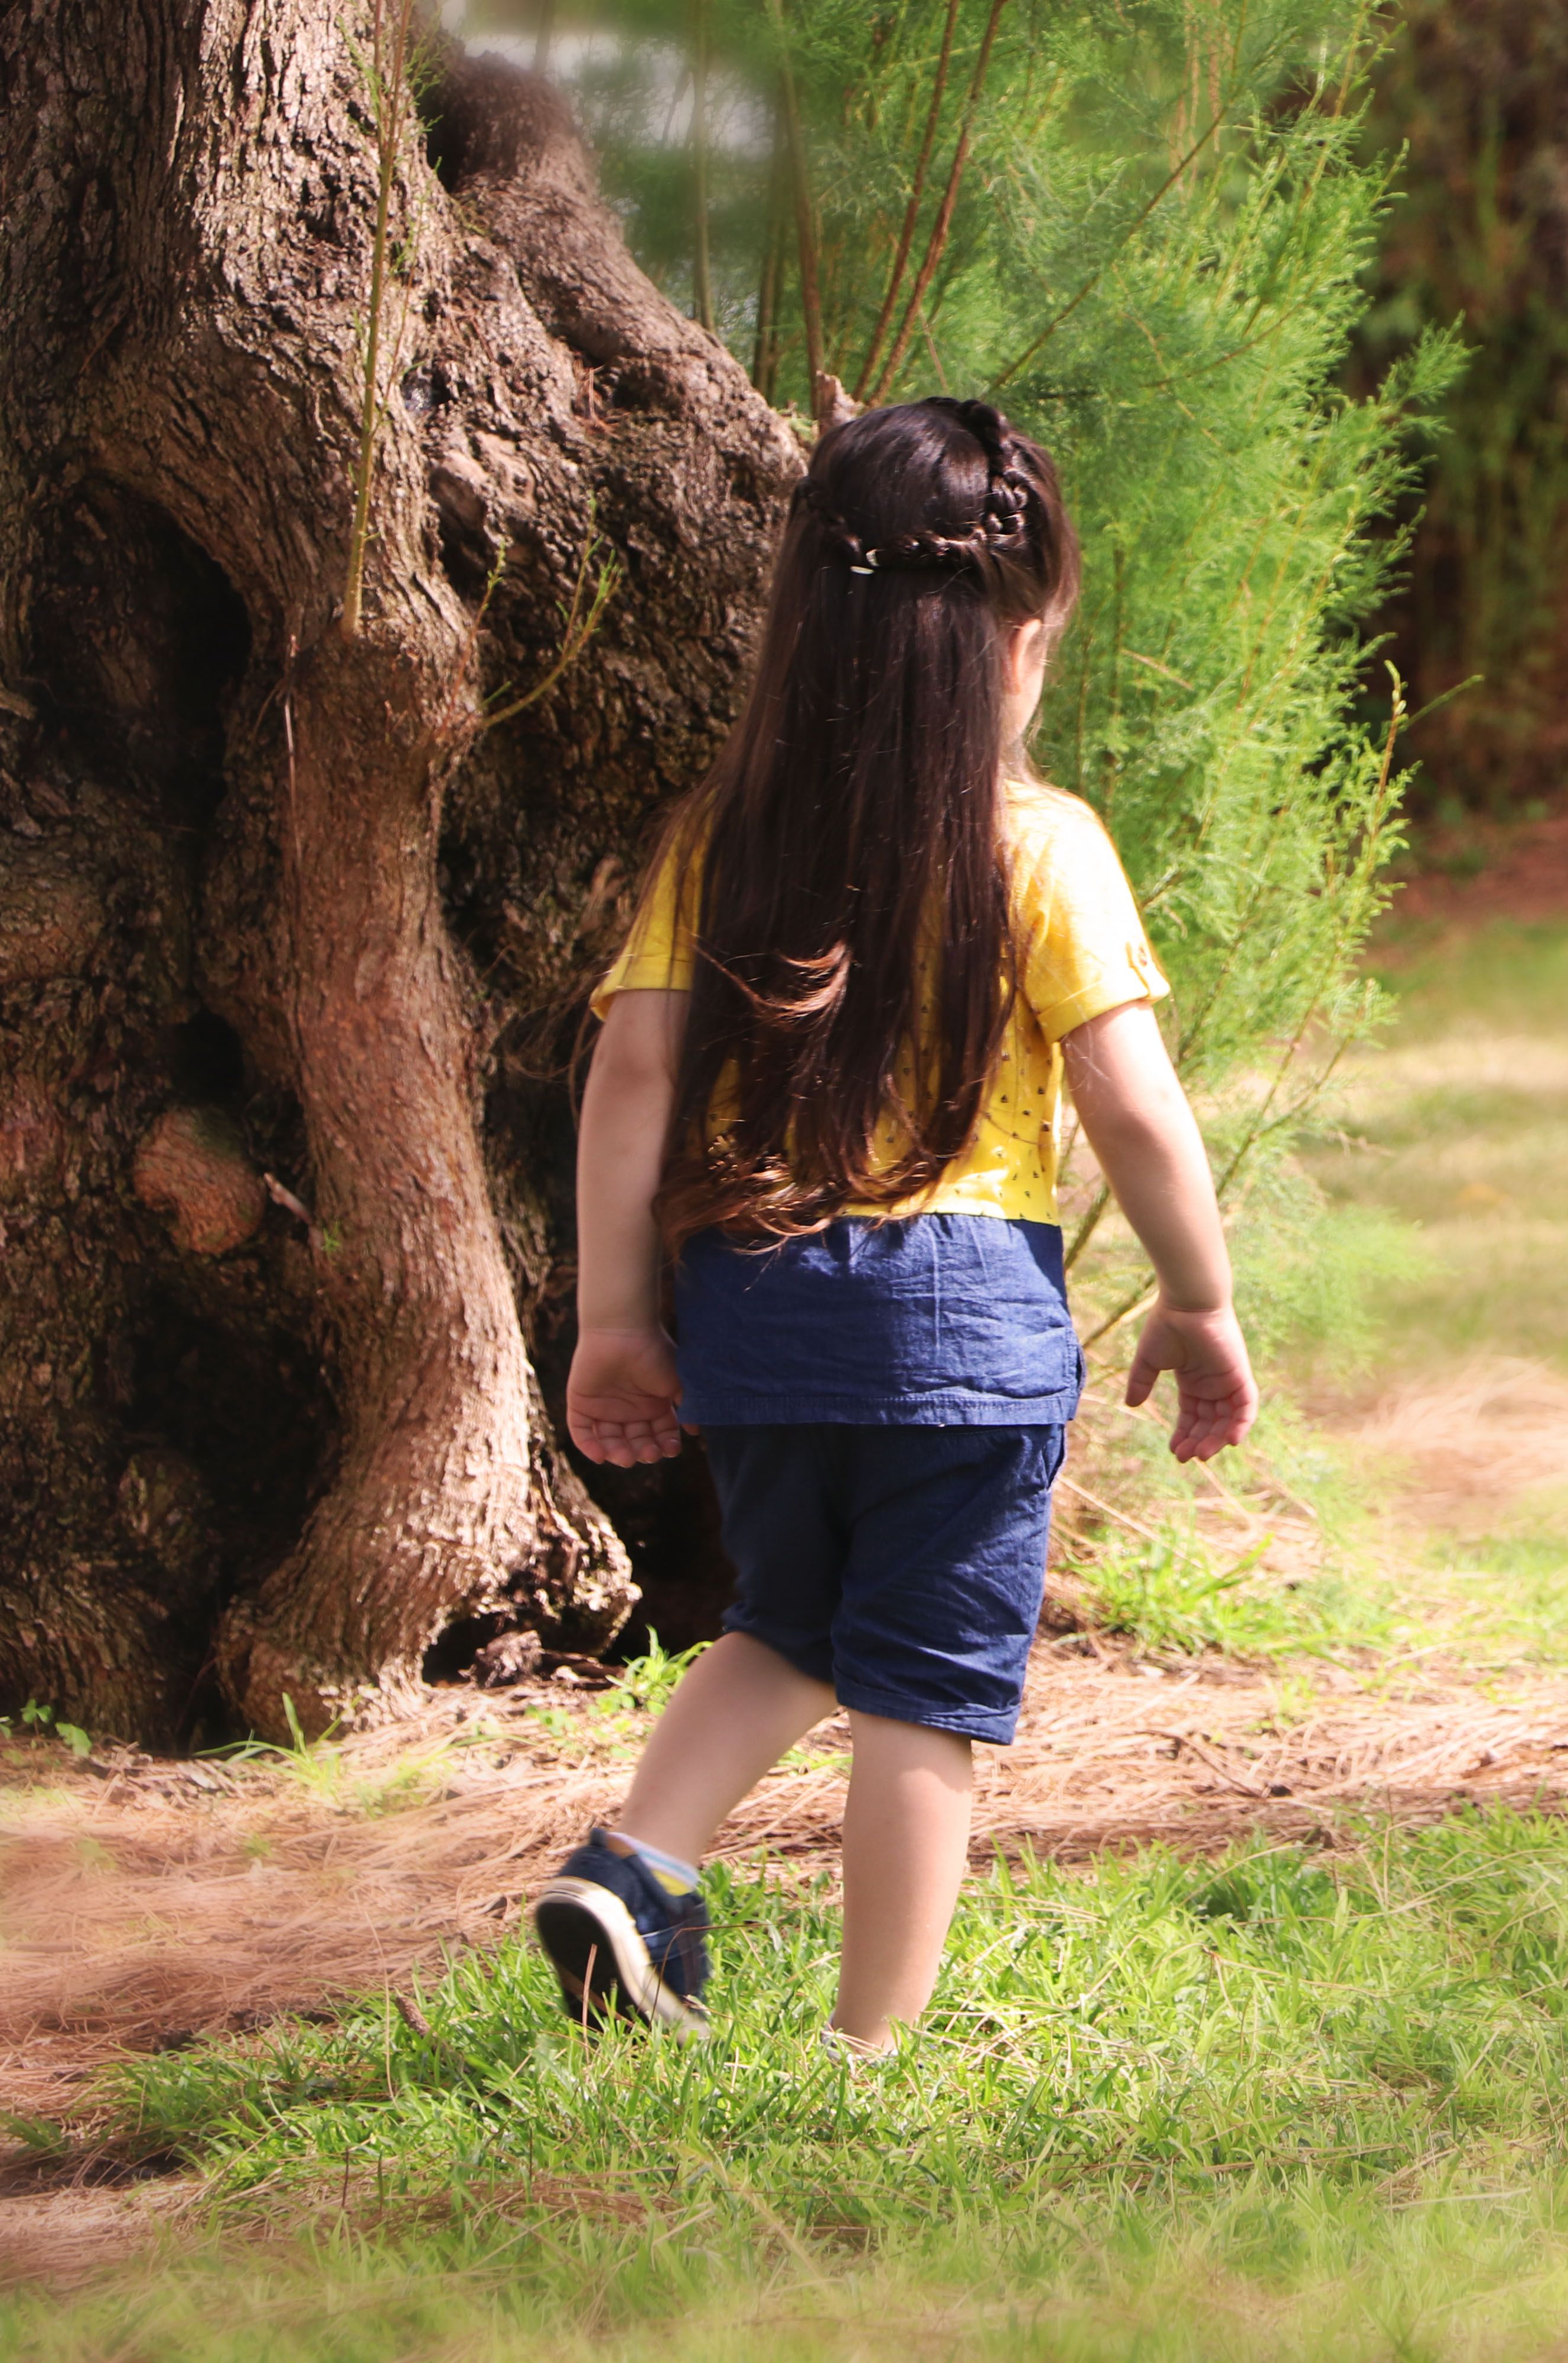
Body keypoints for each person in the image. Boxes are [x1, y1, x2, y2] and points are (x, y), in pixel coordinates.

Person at [533, 392, 1257, 2056]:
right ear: (1013, 646)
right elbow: (1136, 1106)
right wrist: (1197, 1298)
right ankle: (871, 2054)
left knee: (786, 1613)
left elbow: (630, 1081)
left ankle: (637, 1864)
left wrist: (619, 1317)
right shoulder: (1044, 846)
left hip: (759, 1310)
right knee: (926, 1696)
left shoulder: (724, 841)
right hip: (962, 1332)